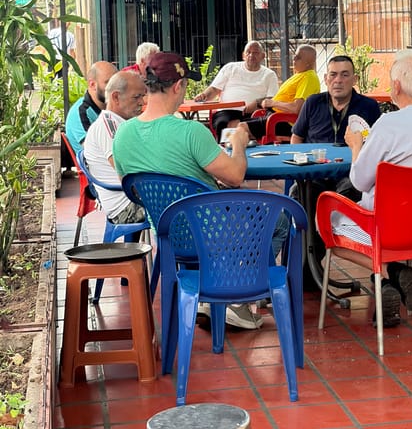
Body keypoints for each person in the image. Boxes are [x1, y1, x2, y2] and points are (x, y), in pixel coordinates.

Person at [112, 51, 263, 330]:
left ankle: (212, 294)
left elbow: (134, 185)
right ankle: (236, 299)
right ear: (178, 86)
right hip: (213, 234)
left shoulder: (122, 134)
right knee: (277, 221)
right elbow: (235, 177)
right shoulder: (191, 132)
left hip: (167, 234)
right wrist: (239, 143)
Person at [321, 49, 412, 328]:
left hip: (388, 229)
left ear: (396, 86)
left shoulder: (389, 124)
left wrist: (356, 147)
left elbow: (360, 182)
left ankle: (391, 272)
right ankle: (394, 281)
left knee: (326, 222)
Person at [291, 53, 381, 201]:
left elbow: (377, 145)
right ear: (326, 79)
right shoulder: (313, 103)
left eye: (345, 75)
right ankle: (306, 225)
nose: (338, 80)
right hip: (316, 173)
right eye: (333, 75)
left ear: (355, 79)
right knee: (298, 192)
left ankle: (341, 225)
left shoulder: (369, 106)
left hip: (350, 174)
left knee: (351, 191)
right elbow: (297, 137)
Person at [83, 70, 148, 227]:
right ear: (116, 97)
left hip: (131, 200)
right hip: (126, 207)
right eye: (137, 97)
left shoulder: (119, 123)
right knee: (189, 205)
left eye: (143, 96)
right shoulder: (109, 127)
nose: (142, 102)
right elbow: (128, 173)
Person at [194, 40, 279, 141]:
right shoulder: (230, 68)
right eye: (248, 52)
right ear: (243, 55)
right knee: (231, 124)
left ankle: (236, 149)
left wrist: (257, 103)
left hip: (256, 113)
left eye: (256, 53)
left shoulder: (269, 75)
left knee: (245, 126)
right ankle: (229, 150)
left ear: (263, 56)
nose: (251, 55)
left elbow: (271, 99)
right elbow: (214, 89)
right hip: (227, 111)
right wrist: (204, 95)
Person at [246, 44, 321, 140]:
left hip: (284, 121)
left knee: (242, 129)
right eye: (294, 56)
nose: (293, 59)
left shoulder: (309, 78)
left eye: (298, 57)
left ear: (308, 63)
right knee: (239, 128)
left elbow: (297, 108)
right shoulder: (300, 74)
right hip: (274, 116)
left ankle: (224, 153)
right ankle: (229, 152)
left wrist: (273, 103)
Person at [64, 61, 117, 148]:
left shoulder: (109, 106)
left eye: (116, 82)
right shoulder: (80, 113)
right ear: (92, 85)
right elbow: (93, 151)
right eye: (108, 83)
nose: (115, 87)